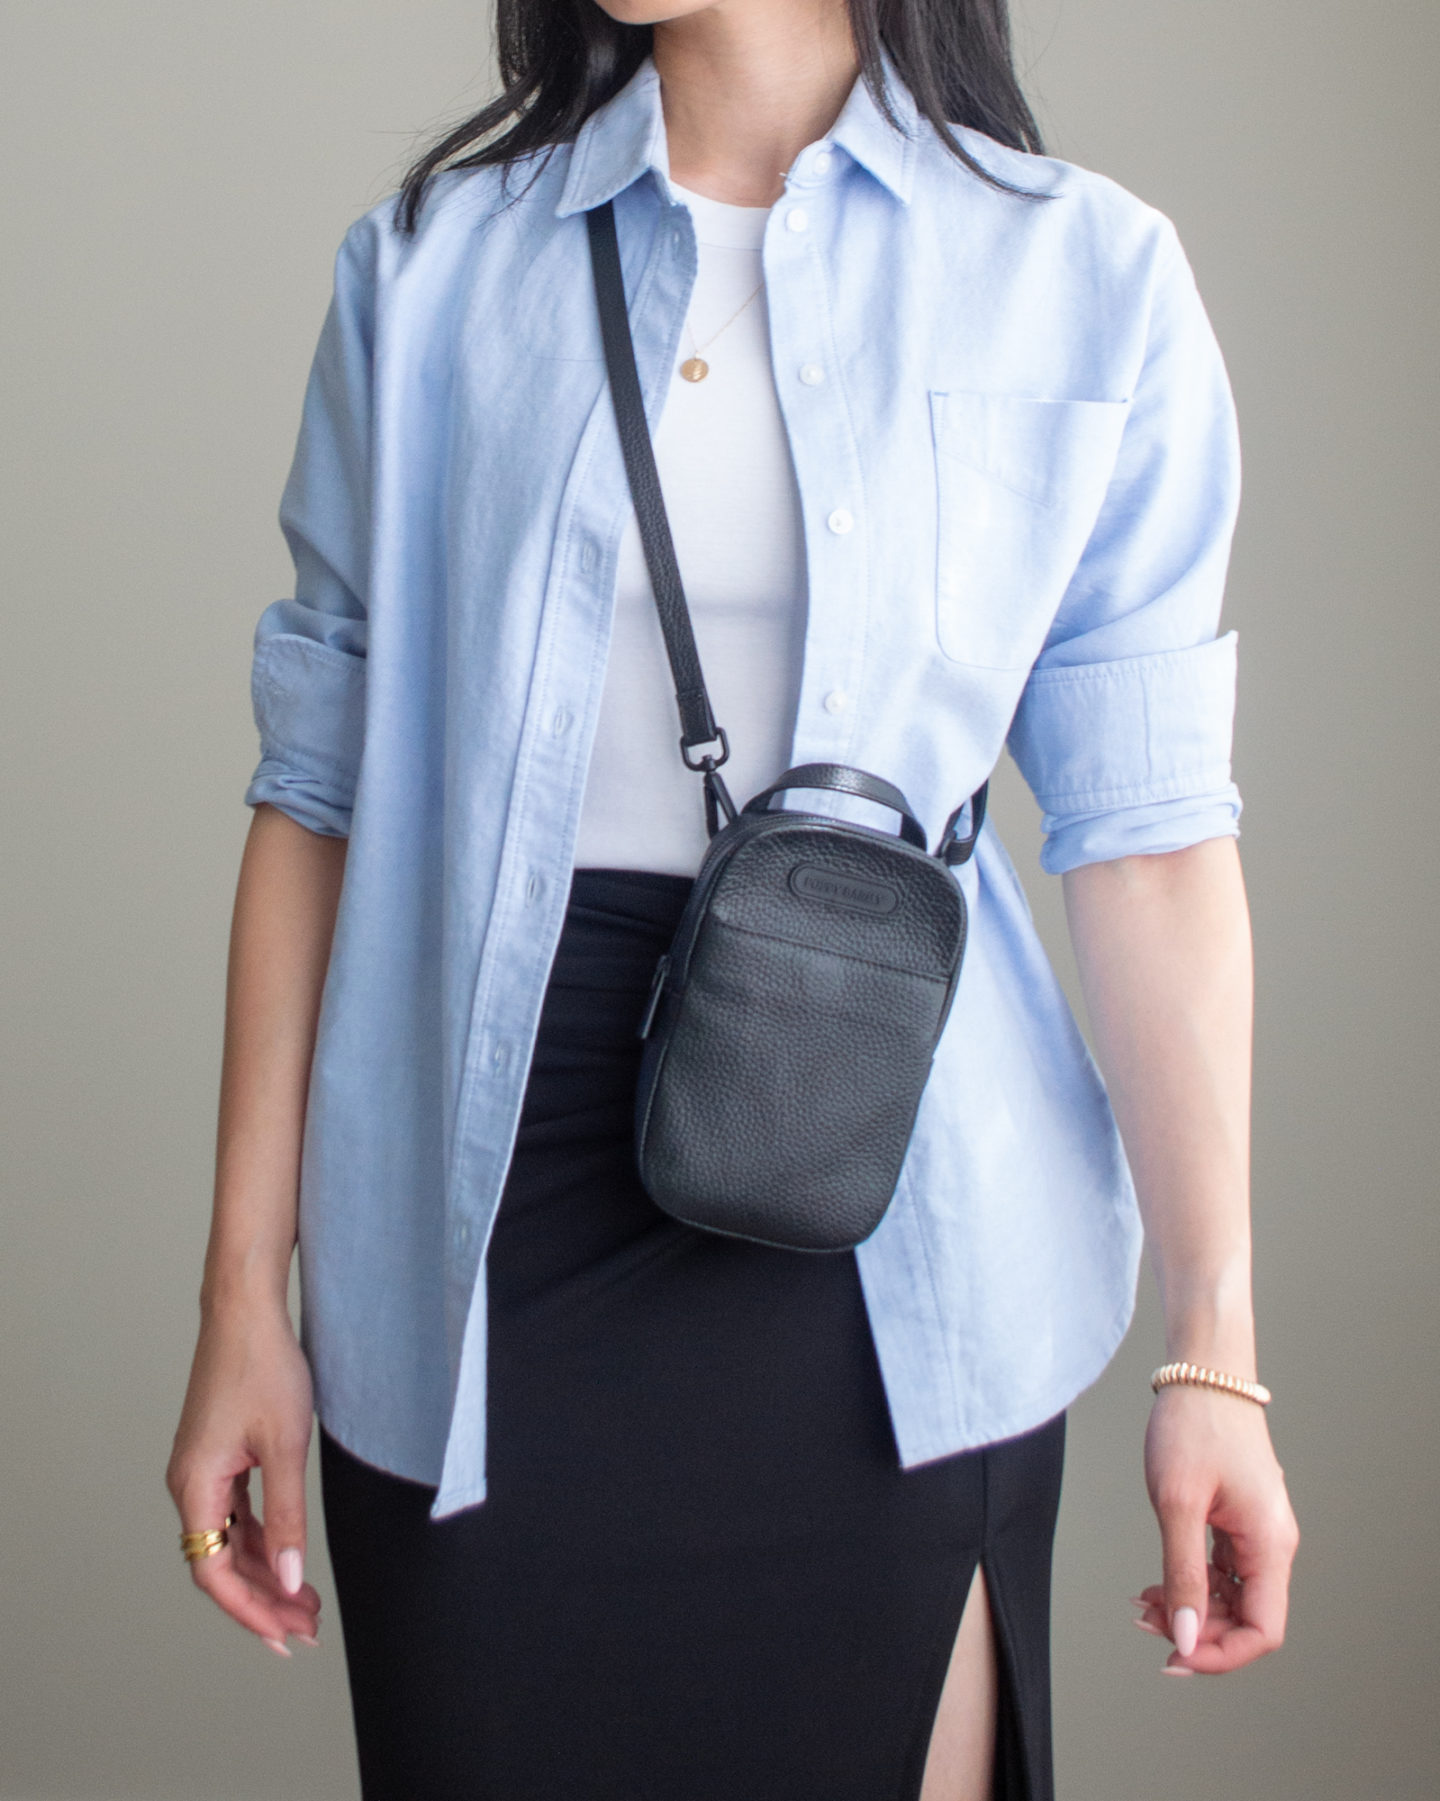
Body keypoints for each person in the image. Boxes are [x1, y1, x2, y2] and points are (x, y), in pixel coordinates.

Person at [166, 2, 1300, 1796]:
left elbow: (1151, 841)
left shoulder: (1084, 274)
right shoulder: (434, 268)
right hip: (481, 1261)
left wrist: (1213, 1352)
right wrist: (243, 1291)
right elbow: (313, 802)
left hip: (898, 1251)